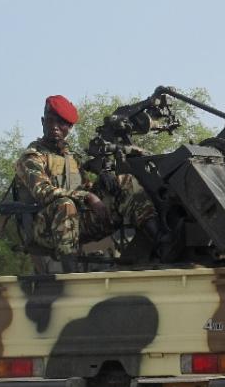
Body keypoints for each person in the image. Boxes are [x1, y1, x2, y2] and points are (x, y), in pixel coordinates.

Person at [15, 95, 163, 272]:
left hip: (77, 222)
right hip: (44, 228)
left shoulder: (71, 157)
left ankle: (161, 242)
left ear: (69, 127)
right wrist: (88, 196)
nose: (55, 127)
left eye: (61, 123)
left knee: (125, 182)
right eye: (50, 121)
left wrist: (103, 179)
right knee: (65, 204)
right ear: (42, 122)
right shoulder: (32, 157)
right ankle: (72, 277)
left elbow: (85, 188)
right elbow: (43, 192)